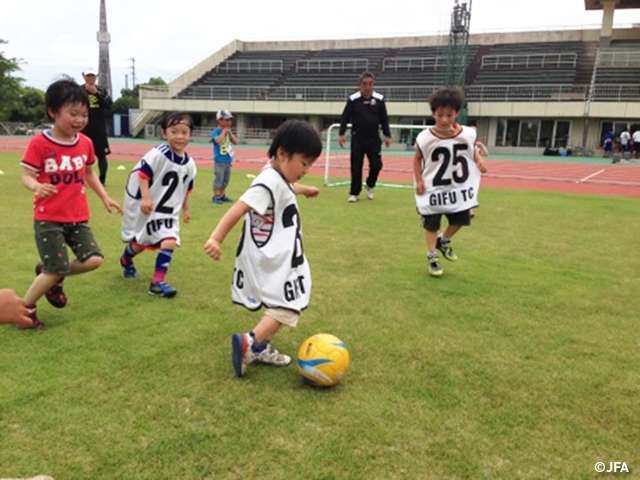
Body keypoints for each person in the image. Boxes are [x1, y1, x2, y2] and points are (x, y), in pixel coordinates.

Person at [204, 120, 322, 378]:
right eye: (304, 163)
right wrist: (216, 238)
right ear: (282, 154)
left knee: (287, 301)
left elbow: (287, 188)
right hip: (272, 259)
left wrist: (303, 190)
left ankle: (259, 345)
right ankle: (253, 342)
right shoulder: (267, 180)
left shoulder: (277, 174)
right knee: (288, 305)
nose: (307, 169)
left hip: (281, 256)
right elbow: (240, 207)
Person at [20, 78, 122, 329]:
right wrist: (36, 186)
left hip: (78, 216)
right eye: (73, 113)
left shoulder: (85, 143)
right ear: (53, 112)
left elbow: (89, 173)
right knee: (56, 268)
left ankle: (50, 273)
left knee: (94, 259)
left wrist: (105, 197)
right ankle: (25, 312)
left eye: (84, 114)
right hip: (49, 218)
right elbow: (27, 175)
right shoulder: (39, 143)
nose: (79, 120)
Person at [119, 112, 197, 298]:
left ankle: (157, 282)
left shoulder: (190, 164)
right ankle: (126, 259)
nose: (180, 136)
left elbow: (186, 188)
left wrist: (186, 209)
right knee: (140, 244)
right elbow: (143, 175)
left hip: (170, 213)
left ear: (190, 134)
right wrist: (146, 198)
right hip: (151, 210)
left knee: (169, 241)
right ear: (164, 133)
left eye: (184, 132)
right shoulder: (157, 154)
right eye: (174, 131)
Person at [413, 87, 487, 277]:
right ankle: (432, 256)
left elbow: (471, 149)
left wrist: (479, 160)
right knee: (431, 224)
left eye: (449, 115)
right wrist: (419, 181)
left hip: (457, 187)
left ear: (457, 113)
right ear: (432, 114)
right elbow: (417, 158)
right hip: (433, 188)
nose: (444, 119)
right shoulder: (425, 137)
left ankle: (443, 240)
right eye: (440, 115)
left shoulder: (467, 134)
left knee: (462, 218)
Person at [338, 72, 391, 203]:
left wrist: (387, 135)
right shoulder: (353, 99)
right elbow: (345, 117)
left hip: (374, 139)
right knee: (356, 166)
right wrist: (341, 133)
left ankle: (370, 185)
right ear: (360, 85)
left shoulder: (379, 99)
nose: (368, 87)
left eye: (370, 84)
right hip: (357, 139)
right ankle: (354, 193)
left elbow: (384, 119)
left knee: (377, 165)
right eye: (365, 84)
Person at [81, 68, 112, 185]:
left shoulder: (101, 91)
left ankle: (102, 180)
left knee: (102, 155)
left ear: (97, 76)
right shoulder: (79, 90)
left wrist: (96, 93)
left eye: (93, 76)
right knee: (80, 154)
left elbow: (109, 105)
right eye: (88, 75)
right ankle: (80, 179)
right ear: (84, 76)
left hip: (99, 128)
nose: (90, 78)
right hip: (83, 128)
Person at [211, 109, 239, 204]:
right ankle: (216, 196)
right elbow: (218, 140)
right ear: (219, 120)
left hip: (228, 160)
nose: (228, 122)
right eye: (226, 120)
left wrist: (230, 133)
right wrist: (223, 132)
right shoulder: (216, 131)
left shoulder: (228, 132)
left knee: (225, 179)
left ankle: (222, 195)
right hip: (219, 160)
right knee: (219, 178)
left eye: (230, 120)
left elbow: (236, 142)